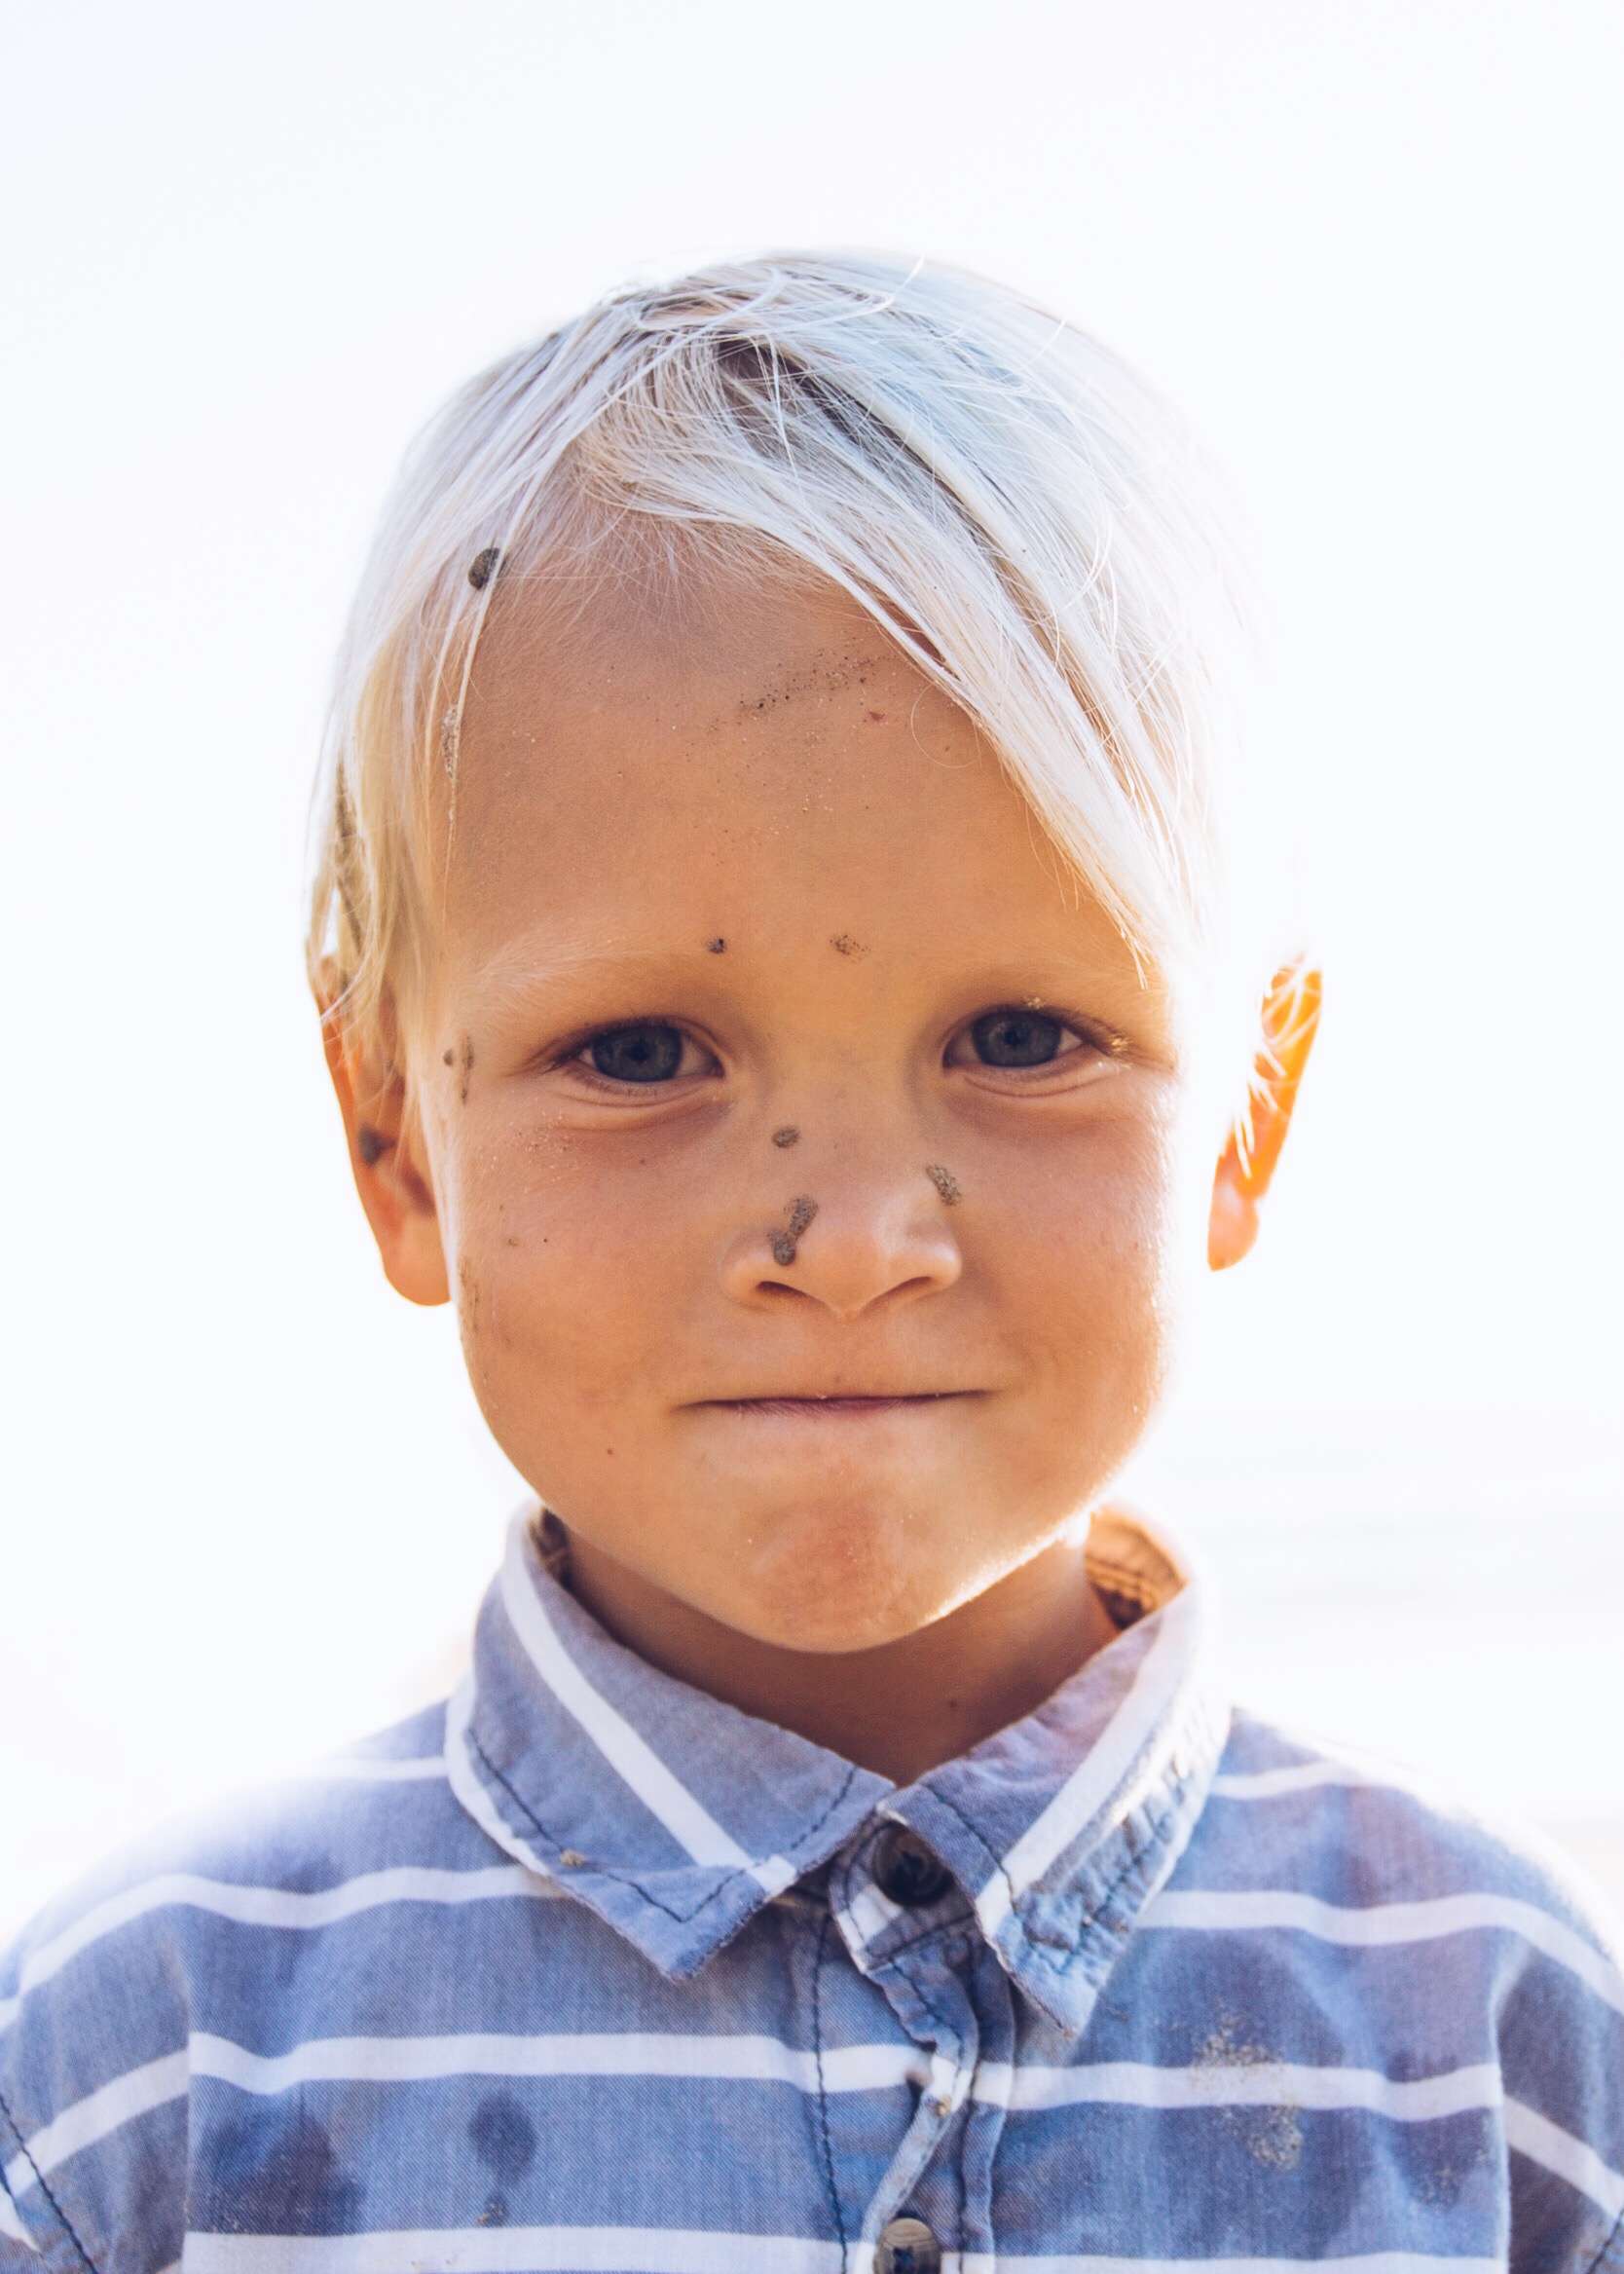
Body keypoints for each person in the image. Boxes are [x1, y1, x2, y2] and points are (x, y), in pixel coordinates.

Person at [2, 252, 1618, 2274]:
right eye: (643, 1054)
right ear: (392, 1134)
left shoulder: (1501, 2054)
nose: (850, 1240)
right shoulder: (142, 2080)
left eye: (1021, 1039)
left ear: (1247, 1114)